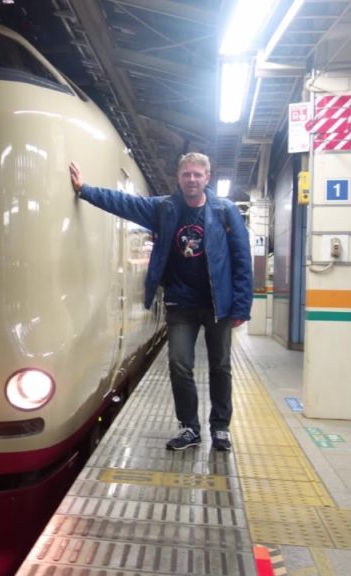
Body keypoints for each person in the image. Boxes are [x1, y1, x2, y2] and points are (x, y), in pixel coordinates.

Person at [69, 153, 253, 451]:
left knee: (221, 367)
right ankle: (189, 428)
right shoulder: (165, 208)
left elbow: (242, 259)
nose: (191, 180)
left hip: (218, 304)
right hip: (180, 304)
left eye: (197, 175)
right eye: (186, 175)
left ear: (207, 178)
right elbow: (125, 204)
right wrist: (85, 190)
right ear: (178, 178)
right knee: (179, 364)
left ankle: (220, 427)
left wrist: (242, 306)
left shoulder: (225, 210)